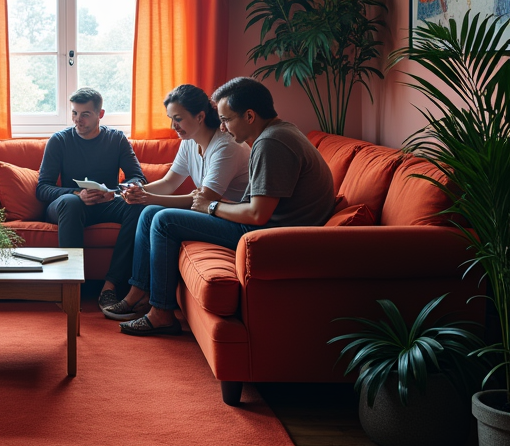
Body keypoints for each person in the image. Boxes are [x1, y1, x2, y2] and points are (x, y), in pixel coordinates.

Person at [119, 76, 335, 337]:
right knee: (154, 214)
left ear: (250, 116)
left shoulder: (270, 143)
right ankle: (142, 295)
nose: (222, 127)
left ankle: (161, 312)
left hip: (273, 235)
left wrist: (211, 207)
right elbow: (253, 206)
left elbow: (257, 214)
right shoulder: (278, 133)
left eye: (227, 119)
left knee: (163, 220)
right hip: (274, 226)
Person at [103, 84, 251, 320]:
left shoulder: (226, 146)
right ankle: (138, 292)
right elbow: (170, 182)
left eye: (179, 119)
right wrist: (135, 191)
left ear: (200, 116)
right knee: (149, 211)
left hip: (233, 218)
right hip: (216, 213)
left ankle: (152, 304)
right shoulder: (190, 141)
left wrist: (147, 198)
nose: (174, 126)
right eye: (172, 119)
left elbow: (206, 200)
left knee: (158, 215)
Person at [36, 87, 146, 311]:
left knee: (137, 206)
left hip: (106, 204)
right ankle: (69, 286)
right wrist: (76, 193)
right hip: (69, 207)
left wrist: (115, 193)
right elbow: (42, 188)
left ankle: (110, 287)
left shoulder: (116, 139)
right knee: (71, 202)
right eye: (74, 113)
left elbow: (138, 178)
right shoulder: (59, 141)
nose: (78, 120)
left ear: (100, 114)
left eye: (85, 114)